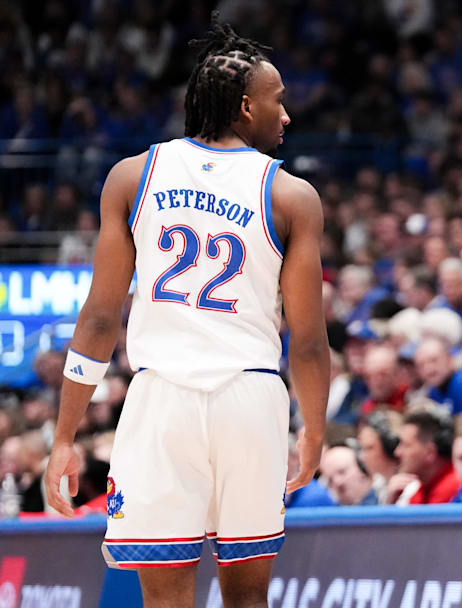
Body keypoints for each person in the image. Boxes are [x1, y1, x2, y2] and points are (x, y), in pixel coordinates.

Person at [44, 17, 330, 606]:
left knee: (165, 599)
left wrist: (65, 434)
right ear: (247, 108)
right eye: (279, 102)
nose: (287, 116)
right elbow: (306, 340)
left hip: (160, 402)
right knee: (248, 598)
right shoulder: (290, 195)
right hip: (249, 399)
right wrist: (316, 431)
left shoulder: (133, 176)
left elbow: (100, 320)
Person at [390, 410, 459, 505]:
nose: (397, 452)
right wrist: (391, 502)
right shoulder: (422, 488)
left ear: (430, 452)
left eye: (405, 445)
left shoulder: (451, 486)